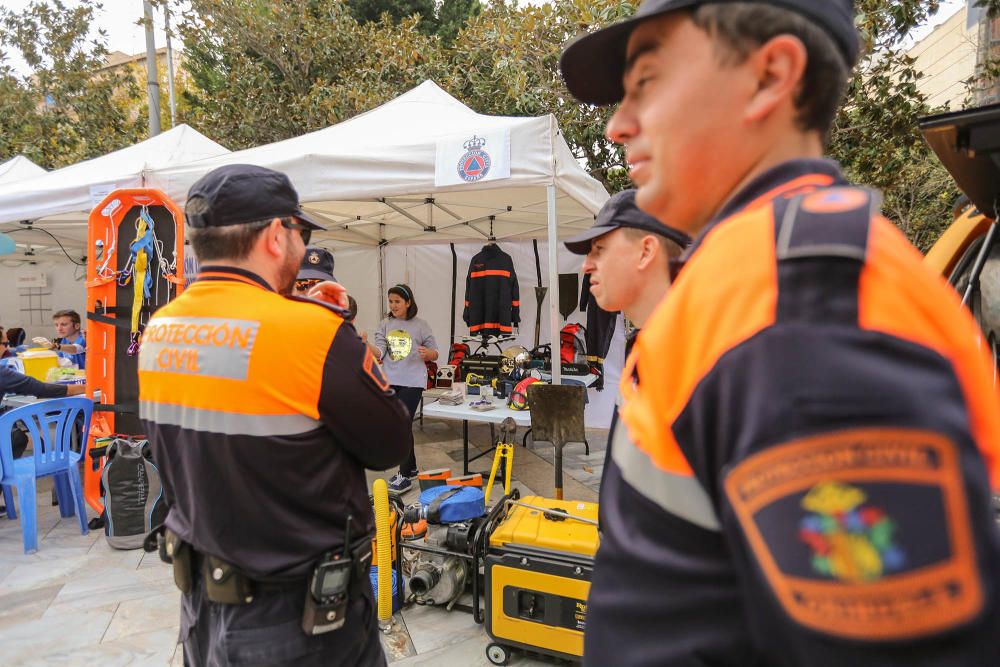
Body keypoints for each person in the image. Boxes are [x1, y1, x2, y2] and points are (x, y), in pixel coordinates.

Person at [560, 1, 1000, 665]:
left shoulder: (799, 318)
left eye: (646, 84)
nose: (619, 125)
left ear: (770, 77)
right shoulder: (742, 284)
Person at [137, 164, 413, 667]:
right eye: (301, 232)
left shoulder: (160, 329)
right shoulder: (314, 332)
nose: (303, 247)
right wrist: (338, 331)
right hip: (300, 621)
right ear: (273, 235)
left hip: (202, 608)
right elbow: (391, 445)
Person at [564, 188, 689, 510]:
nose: (586, 266)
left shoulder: (706, 358)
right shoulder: (645, 350)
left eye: (600, 250)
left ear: (646, 252)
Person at [372, 284, 438, 493]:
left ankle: (404, 476)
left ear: (408, 302)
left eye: (397, 301)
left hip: (413, 381)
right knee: (401, 425)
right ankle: (410, 470)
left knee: (402, 424)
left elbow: (435, 351)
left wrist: (429, 354)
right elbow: (379, 352)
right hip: (391, 381)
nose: (393, 305)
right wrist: (365, 344)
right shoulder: (384, 324)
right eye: (390, 301)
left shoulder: (421, 325)